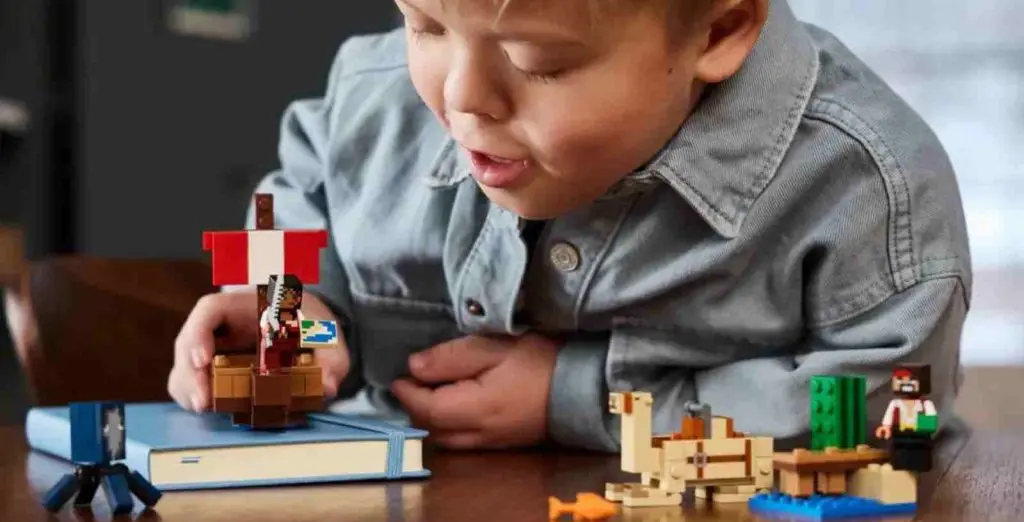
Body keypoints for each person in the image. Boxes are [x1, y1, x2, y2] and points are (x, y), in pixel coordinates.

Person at [168, 0, 972, 452]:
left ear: (720, 31)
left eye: (539, 64)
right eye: (426, 25)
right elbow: (294, 186)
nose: (462, 101)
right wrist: (286, 303)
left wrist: (577, 396)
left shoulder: (869, 186)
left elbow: (896, 404)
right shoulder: (369, 96)